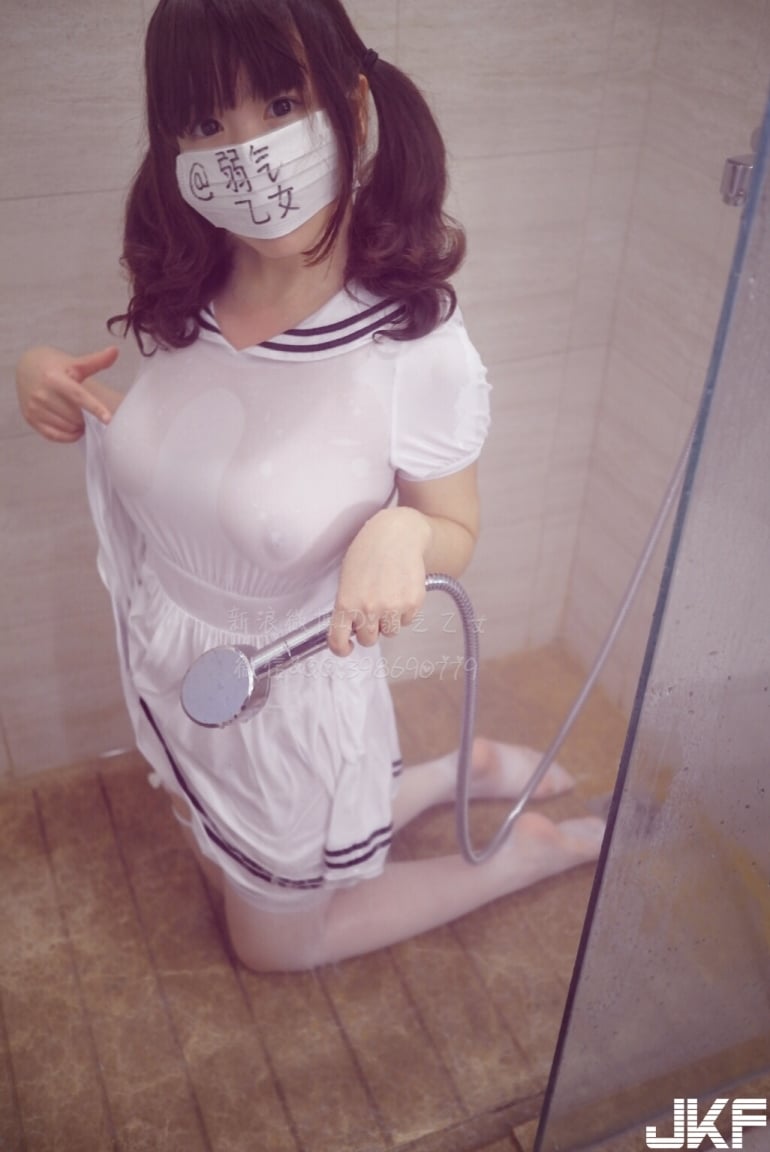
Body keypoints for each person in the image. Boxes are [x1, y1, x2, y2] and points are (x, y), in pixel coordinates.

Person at [16, 0, 604, 972]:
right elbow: (209, 454)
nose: (247, 151)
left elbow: (452, 525)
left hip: (284, 700)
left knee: (271, 948)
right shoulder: (190, 284)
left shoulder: (411, 347)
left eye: (281, 104)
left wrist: (402, 533)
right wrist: (51, 377)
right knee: (225, 851)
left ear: (353, 107)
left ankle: (525, 853)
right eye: (206, 122)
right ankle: (456, 773)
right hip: (173, 659)